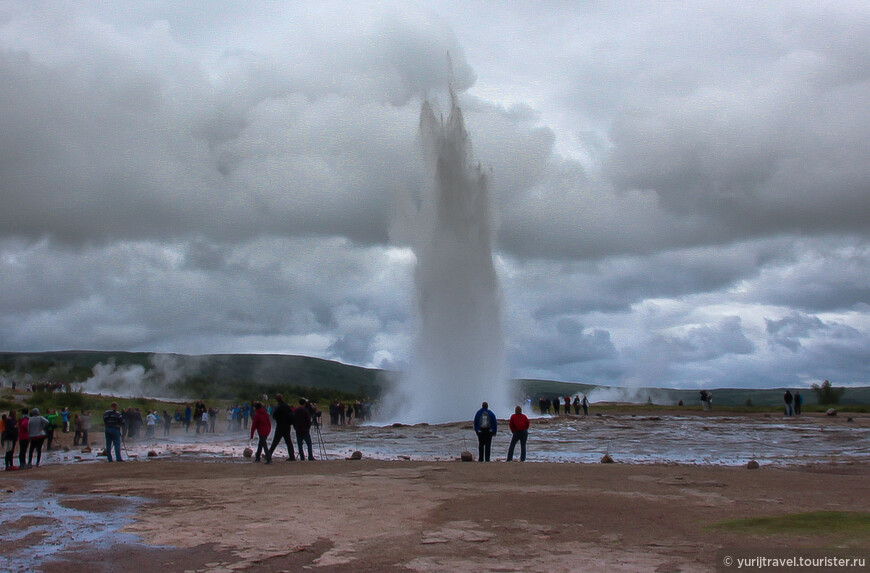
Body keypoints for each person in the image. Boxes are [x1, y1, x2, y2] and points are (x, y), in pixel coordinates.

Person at [267, 394, 296, 461]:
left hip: (280, 426)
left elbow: (274, 415)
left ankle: (269, 455)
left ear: (277, 400)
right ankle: (292, 456)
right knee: (288, 442)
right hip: (287, 426)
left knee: (275, 441)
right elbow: (291, 414)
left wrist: (278, 419)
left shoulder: (278, 407)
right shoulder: (286, 406)